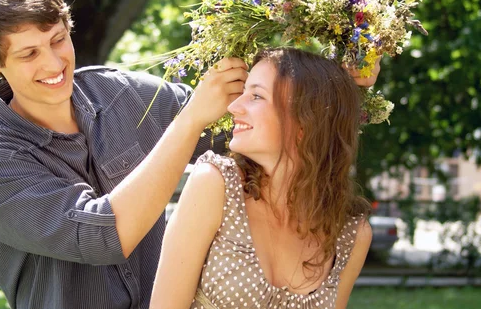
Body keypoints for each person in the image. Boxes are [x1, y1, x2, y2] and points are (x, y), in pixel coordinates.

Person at [0, 0, 249, 309]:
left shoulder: (124, 93)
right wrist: (189, 122)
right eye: (29, 53)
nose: (53, 63)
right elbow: (101, 236)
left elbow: (244, 135)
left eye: (58, 40)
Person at [150, 48, 375, 309]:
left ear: (306, 120)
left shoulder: (351, 233)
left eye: (256, 95)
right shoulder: (216, 185)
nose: (234, 107)